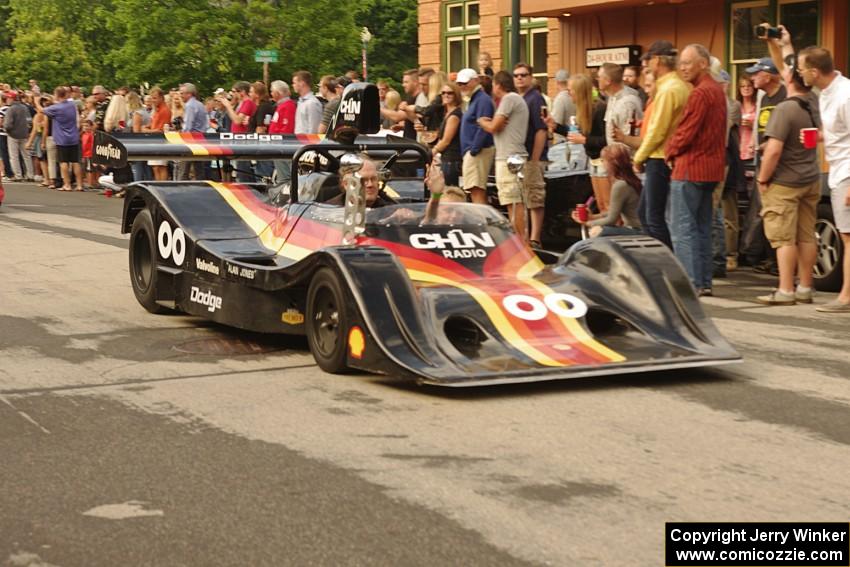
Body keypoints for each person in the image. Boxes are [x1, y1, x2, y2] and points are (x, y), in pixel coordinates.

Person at [751, 46, 820, 306]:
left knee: (783, 238)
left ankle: (785, 289)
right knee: (806, 234)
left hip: (785, 181)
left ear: (790, 79)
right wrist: (783, 43)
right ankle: (805, 287)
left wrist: (762, 179)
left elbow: (774, 151)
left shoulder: (784, 109)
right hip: (810, 176)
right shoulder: (813, 101)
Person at [664, 44, 728, 297]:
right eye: (681, 63)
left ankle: (691, 282)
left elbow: (686, 131)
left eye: (688, 63)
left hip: (691, 168)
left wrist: (670, 151)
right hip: (711, 169)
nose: (682, 67)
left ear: (703, 64)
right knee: (702, 227)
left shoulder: (700, 93)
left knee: (682, 229)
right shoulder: (717, 91)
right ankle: (703, 281)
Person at [796, 45, 850, 312]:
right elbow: (841, 133)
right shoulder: (827, 92)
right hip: (839, 171)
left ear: (814, 72)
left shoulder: (845, 94)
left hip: (847, 173)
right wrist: (817, 136)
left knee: (849, 237)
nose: (799, 73)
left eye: (802, 68)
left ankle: (846, 297)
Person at [633, 40, 690, 249]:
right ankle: (662, 259)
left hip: (659, 156)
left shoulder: (668, 89)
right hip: (667, 155)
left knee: (653, 216)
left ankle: (664, 262)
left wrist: (639, 158)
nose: (646, 66)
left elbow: (657, 131)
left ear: (657, 60)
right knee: (648, 213)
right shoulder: (680, 86)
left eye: (647, 61)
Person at [478, 70, 529, 238]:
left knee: (513, 202)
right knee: (511, 200)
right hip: (510, 155)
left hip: (510, 157)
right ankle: (520, 240)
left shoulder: (509, 99)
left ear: (498, 85)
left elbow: (494, 127)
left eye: (493, 85)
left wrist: (483, 121)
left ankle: (521, 242)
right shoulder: (515, 100)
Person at [546, 74, 607, 207]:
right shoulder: (582, 109)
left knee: (606, 203)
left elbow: (607, 140)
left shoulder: (599, 109)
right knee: (600, 203)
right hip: (593, 161)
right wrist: (556, 126)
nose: (568, 93)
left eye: (570, 90)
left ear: (579, 91)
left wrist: (585, 140)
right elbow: (576, 135)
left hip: (603, 161)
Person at [571, 142, 642, 237]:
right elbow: (612, 211)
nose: (602, 164)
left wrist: (588, 223)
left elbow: (612, 219)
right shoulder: (630, 180)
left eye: (603, 160)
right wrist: (593, 217)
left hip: (636, 230)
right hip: (640, 228)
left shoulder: (620, 185)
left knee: (597, 231)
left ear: (612, 163)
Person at [513, 62, 549, 246]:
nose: (519, 78)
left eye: (523, 74)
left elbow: (541, 130)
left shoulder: (535, 99)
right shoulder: (519, 98)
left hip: (532, 156)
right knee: (523, 197)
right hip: (520, 155)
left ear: (531, 77)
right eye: (516, 75)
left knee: (534, 196)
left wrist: (535, 159)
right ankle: (525, 236)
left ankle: (535, 237)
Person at [34, 87, 84, 192]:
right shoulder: (71, 105)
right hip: (74, 137)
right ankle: (79, 185)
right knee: (75, 162)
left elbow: (42, 110)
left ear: (56, 95)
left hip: (62, 138)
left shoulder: (56, 108)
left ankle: (67, 184)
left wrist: (37, 101)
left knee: (63, 162)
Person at [457, 68, 494, 205]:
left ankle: (481, 223)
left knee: (476, 189)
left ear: (475, 81)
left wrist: (474, 150)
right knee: (474, 190)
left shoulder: (482, 100)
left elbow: (484, 126)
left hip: (478, 152)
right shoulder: (474, 99)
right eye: (460, 84)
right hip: (474, 151)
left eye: (465, 83)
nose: (462, 86)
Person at [326, 157, 395, 208]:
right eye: (363, 180)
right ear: (346, 184)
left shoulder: (389, 210)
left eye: (373, 179)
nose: (370, 184)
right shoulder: (329, 211)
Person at [431, 81, 463, 186]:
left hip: (451, 160)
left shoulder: (454, 115)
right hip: (446, 159)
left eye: (450, 93)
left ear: (456, 95)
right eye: (443, 93)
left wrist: (432, 153)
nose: (446, 95)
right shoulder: (447, 113)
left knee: (449, 191)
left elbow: (446, 141)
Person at [175, 82, 209, 181]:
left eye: (182, 93)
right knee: (199, 169)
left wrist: (181, 139)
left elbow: (188, 126)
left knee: (183, 170)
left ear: (189, 94)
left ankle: (181, 190)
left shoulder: (190, 106)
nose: (181, 96)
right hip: (201, 139)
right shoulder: (200, 104)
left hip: (190, 140)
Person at [141, 87, 172, 181]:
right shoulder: (157, 110)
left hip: (160, 141)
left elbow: (160, 130)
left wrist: (147, 130)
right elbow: (154, 124)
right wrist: (148, 127)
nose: (153, 101)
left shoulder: (164, 110)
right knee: (155, 166)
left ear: (161, 98)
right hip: (155, 140)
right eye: (152, 98)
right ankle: (159, 185)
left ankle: (162, 187)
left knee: (161, 166)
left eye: (155, 98)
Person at [3, 91, 35, 182]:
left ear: (12, 99)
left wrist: (6, 129)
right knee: (26, 155)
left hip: (13, 135)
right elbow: (29, 121)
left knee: (14, 156)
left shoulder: (11, 109)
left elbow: (8, 124)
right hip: (24, 134)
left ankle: (18, 175)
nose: (7, 100)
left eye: (9, 98)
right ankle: (30, 175)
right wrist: (28, 131)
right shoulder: (25, 107)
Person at [269, 80, 296, 185]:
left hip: (282, 147)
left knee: (284, 176)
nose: (271, 94)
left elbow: (287, 128)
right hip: (278, 146)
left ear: (277, 93)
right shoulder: (281, 105)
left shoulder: (288, 106)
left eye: (272, 91)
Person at [551, 69, 576, 145]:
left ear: (557, 82)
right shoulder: (574, 96)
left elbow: (556, 122)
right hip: (575, 138)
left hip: (563, 141)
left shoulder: (560, 99)